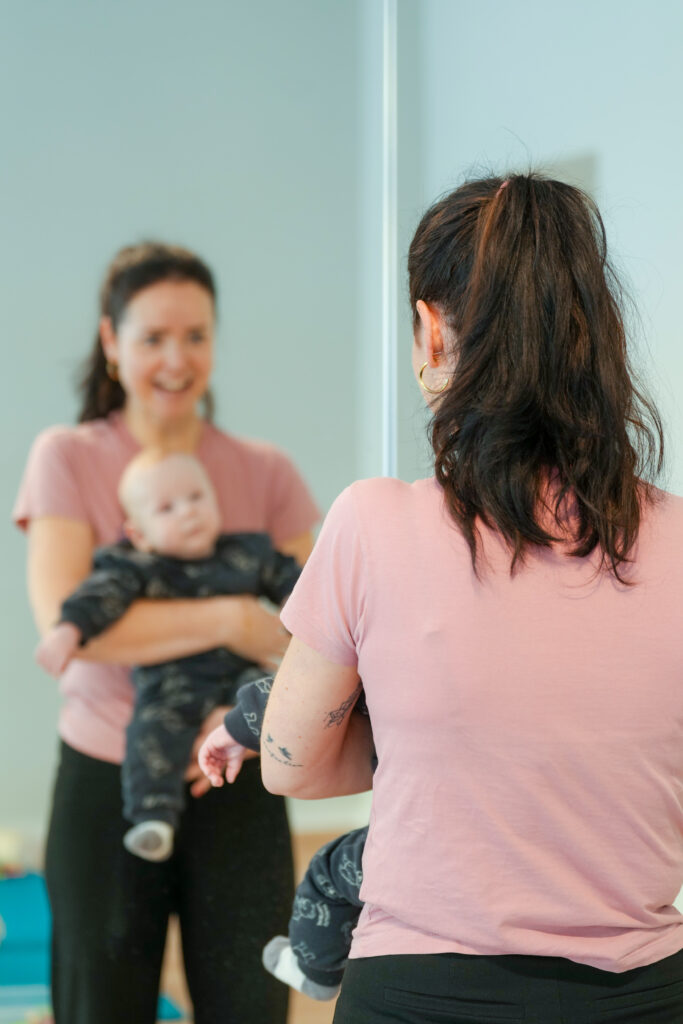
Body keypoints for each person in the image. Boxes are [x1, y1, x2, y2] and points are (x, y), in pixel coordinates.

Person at [258, 175, 683, 1023]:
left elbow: (291, 761)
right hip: (644, 996)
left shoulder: (371, 523)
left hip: (420, 994)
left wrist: (442, 746)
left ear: (430, 332)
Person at [14, 242, 319, 1024]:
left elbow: (317, 635)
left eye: (195, 335)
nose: (175, 359)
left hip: (239, 775)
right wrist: (233, 619)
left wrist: (244, 711)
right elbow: (71, 625)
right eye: (152, 337)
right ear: (111, 343)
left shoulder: (266, 472)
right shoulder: (69, 457)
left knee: (250, 1007)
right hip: (107, 777)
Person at [36, 449, 302, 863]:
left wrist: (296, 606)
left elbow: (296, 582)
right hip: (171, 686)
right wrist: (68, 629)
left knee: (269, 695)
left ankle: (240, 733)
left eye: (197, 497)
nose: (188, 512)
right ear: (138, 533)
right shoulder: (137, 567)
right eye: (166, 508)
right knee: (150, 733)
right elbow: (98, 596)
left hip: (239, 674)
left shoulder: (247, 553)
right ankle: (153, 818)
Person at [199, 674, 371, 1000]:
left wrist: (235, 728)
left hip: (424, 843)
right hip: (493, 832)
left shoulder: (395, 641)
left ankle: (316, 972)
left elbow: (313, 686)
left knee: (328, 872)